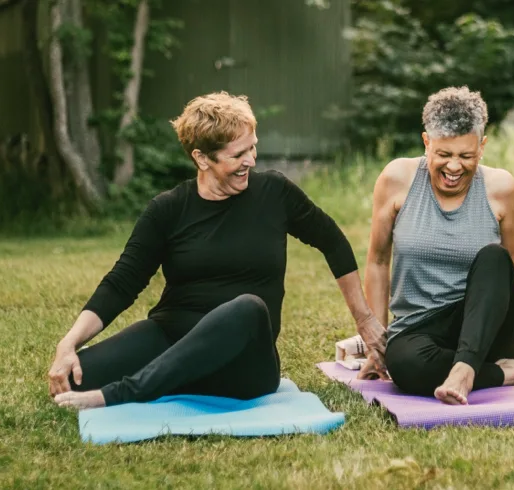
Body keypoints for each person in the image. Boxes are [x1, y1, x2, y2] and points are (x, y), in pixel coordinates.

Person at [48, 92, 388, 409]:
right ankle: (172, 376)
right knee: (75, 379)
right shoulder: (168, 210)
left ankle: (127, 392)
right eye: (238, 155)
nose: (251, 161)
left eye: (252, 148)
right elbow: (122, 283)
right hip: (173, 336)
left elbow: (333, 241)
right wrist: (69, 343)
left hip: (244, 360)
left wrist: (364, 318)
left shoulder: (274, 193)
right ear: (201, 158)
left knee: (248, 307)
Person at [359, 86, 514, 405]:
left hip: (485, 329)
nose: (454, 167)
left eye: (466, 156)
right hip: (421, 329)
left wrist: (487, 327)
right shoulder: (396, 179)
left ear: (482, 147)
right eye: (444, 155)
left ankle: (467, 367)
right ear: (426, 142)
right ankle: (512, 374)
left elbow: (513, 267)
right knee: (404, 366)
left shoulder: (501, 188)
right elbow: (377, 262)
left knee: (495, 258)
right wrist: (376, 345)